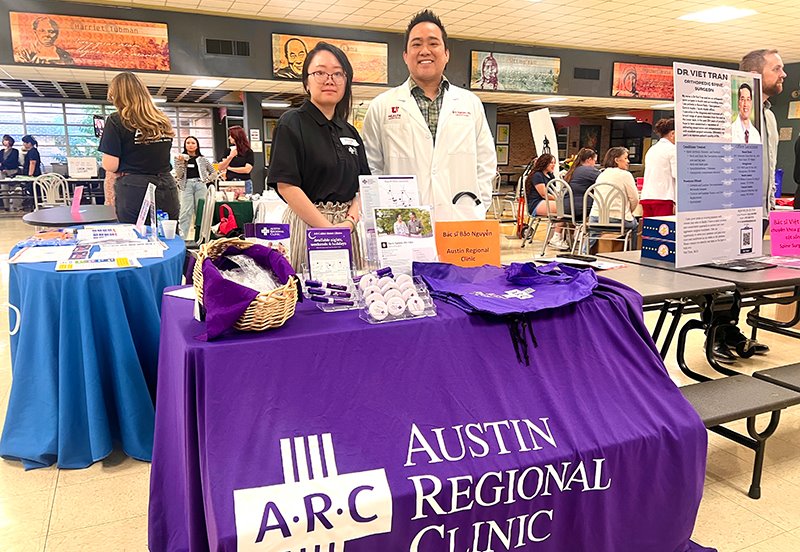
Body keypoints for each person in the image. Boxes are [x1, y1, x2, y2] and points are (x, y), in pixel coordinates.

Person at [362, 10, 496, 222]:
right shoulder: (382, 106)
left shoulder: (470, 104)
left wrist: (479, 207)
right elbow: (372, 166)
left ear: (446, 54)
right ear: (405, 56)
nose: (425, 50)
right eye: (416, 44)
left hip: (461, 219)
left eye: (433, 43)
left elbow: (486, 162)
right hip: (404, 221)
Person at [267, 42, 369, 271]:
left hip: (346, 227)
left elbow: (364, 185)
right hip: (308, 227)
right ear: (306, 81)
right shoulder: (292, 123)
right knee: (311, 295)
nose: (329, 79)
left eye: (337, 73)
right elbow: (287, 186)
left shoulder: (349, 131)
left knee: (349, 296)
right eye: (320, 72)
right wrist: (328, 230)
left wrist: (349, 223)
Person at [99, 72, 179, 223]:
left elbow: (110, 165)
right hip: (167, 185)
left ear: (116, 95)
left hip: (134, 188)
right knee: (168, 235)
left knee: (136, 238)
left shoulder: (116, 120)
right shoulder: (161, 120)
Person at [740, 49, 785, 227]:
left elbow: (771, 164)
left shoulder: (770, 117)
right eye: (776, 69)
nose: (783, 74)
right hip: (737, 213)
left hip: (764, 213)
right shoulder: (733, 117)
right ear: (754, 75)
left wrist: (771, 204)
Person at [588, 147, 639, 247]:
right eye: (625, 158)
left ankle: (586, 252)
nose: (628, 161)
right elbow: (635, 199)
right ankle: (631, 253)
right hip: (618, 218)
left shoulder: (601, 174)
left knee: (593, 233)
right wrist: (629, 212)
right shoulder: (626, 175)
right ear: (616, 160)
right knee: (635, 225)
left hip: (595, 218)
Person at [175, 136, 216, 239]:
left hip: (200, 185)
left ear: (197, 145)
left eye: (193, 143)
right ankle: (182, 238)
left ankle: (202, 237)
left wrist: (206, 180)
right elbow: (179, 175)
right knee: (185, 211)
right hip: (186, 186)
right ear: (185, 145)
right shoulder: (179, 158)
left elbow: (214, 172)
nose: (190, 145)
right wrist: (181, 163)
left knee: (201, 210)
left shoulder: (203, 159)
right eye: (188, 143)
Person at [525, 153, 568, 250]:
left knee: (566, 207)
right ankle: (556, 238)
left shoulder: (550, 175)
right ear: (544, 163)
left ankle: (560, 237)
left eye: (554, 163)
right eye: (551, 163)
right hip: (536, 203)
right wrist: (558, 198)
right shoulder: (537, 175)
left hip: (545, 202)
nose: (553, 165)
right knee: (562, 208)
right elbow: (544, 194)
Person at [641, 118, 677, 217]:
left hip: (647, 196)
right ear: (672, 134)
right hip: (664, 197)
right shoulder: (673, 150)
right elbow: (677, 174)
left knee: (649, 231)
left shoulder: (652, 149)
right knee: (664, 231)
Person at [562, 147, 599, 221]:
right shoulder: (589, 170)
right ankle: (593, 230)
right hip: (579, 208)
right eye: (595, 161)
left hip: (565, 207)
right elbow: (605, 179)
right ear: (589, 160)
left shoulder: (572, 170)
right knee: (601, 207)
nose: (595, 164)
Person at [218, 126, 254, 195]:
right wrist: (230, 157)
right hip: (229, 183)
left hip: (244, 182)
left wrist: (229, 168)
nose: (229, 138)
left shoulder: (248, 152)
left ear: (236, 136)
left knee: (244, 204)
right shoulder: (228, 151)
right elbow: (219, 167)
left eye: (231, 135)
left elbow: (247, 170)